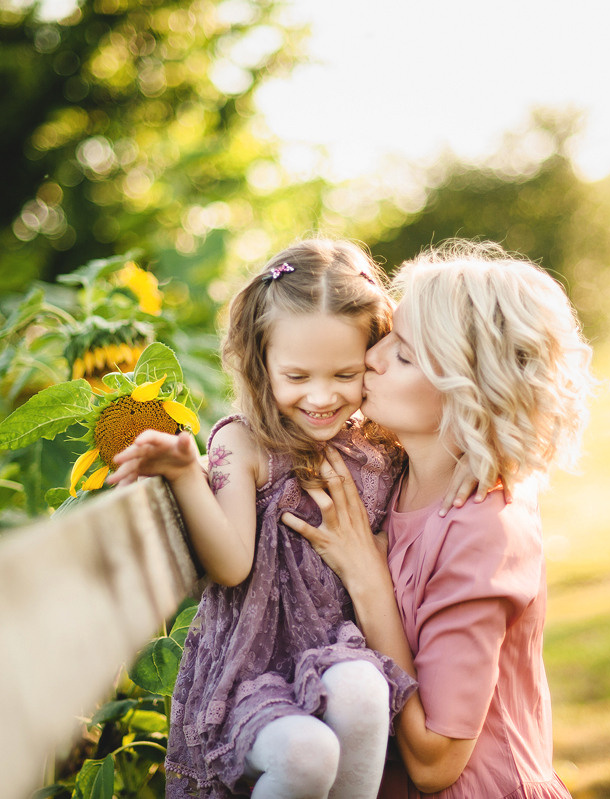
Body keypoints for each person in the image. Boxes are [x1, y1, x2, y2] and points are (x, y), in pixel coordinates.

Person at [107, 240, 474, 798]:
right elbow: (230, 566)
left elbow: (445, 434)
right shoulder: (245, 442)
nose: (323, 397)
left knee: (365, 691)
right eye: (298, 376)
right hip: (254, 668)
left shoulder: (376, 442)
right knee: (305, 756)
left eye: (344, 374)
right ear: (261, 364)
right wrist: (185, 474)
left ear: (372, 358)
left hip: (341, 647)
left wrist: (477, 465)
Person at [284, 240, 595, 798]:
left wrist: (367, 578)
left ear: (467, 392)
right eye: (386, 340)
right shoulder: (387, 475)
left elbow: (436, 761)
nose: (373, 359)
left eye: (403, 355)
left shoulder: (484, 531)